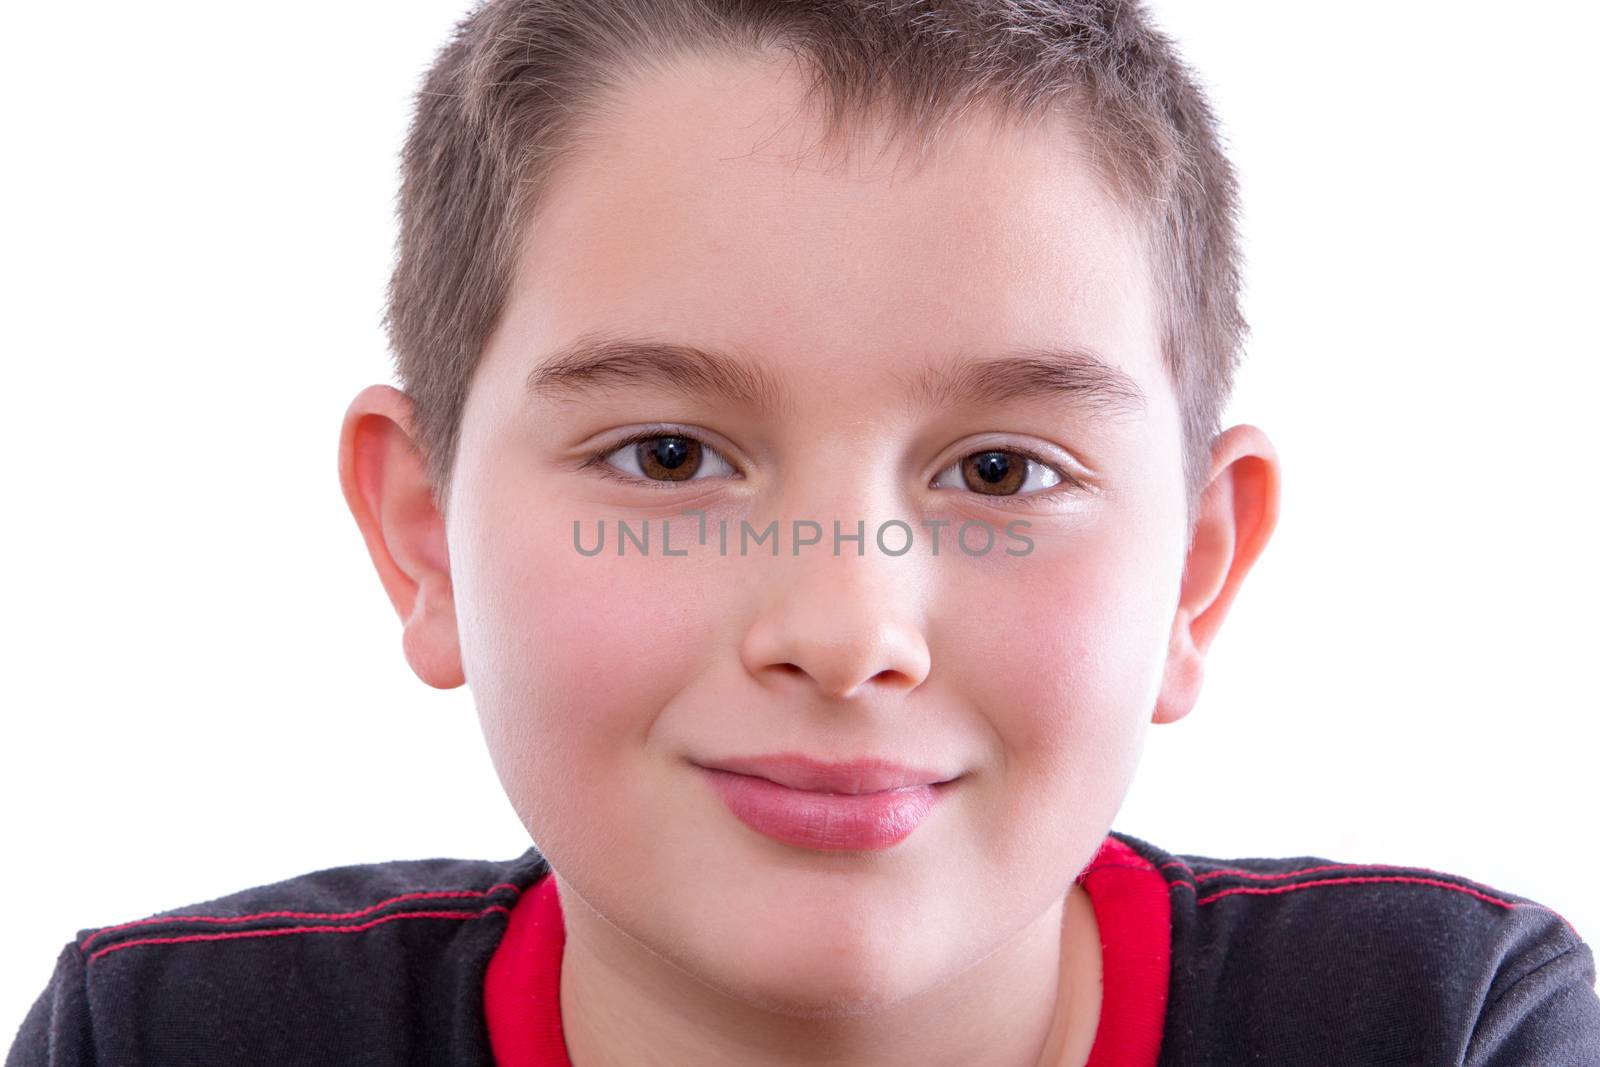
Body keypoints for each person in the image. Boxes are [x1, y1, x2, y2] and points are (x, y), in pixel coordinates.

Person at [9, 1, 1598, 1064]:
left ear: (1196, 568)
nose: (846, 630)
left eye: (1000, 475)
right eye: (668, 452)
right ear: (422, 536)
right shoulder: (169, 1038)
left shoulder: (1441, 1028)